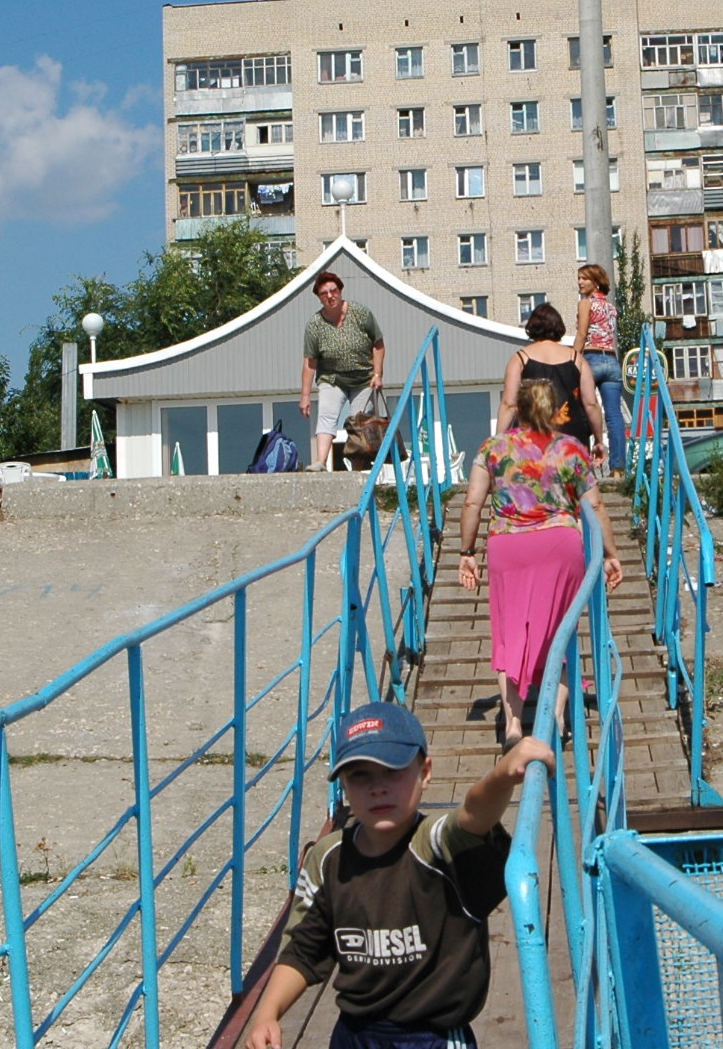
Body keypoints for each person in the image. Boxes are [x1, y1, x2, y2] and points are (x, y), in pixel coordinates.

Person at [242, 702, 552, 1049]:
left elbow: (473, 814)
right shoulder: (328, 858)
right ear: (343, 785)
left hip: (432, 1037)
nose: (377, 787)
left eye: (392, 770)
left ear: (425, 772)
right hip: (354, 1035)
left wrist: (503, 774)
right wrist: (267, 1013)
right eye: (360, 775)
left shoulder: (437, 845)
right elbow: (302, 950)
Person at [459, 377, 622, 748]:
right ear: (554, 410)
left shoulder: (493, 448)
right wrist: (611, 554)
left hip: (508, 547)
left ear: (518, 408)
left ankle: (513, 725)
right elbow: (595, 505)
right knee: (559, 633)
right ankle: (556, 719)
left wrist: (466, 553)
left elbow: (472, 502)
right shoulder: (571, 449)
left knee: (510, 635)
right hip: (560, 544)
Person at [496, 303, 606, 459]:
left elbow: (509, 404)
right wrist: (599, 441)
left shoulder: (520, 358)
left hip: (531, 441)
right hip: (572, 439)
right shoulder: (577, 359)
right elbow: (591, 403)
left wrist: (498, 442)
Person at [300, 270, 385, 472]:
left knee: (359, 422)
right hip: (332, 379)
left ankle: (356, 470)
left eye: (333, 291)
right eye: (324, 293)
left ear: (340, 290)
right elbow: (310, 362)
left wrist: (377, 374)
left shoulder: (360, 313)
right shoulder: (315, 325)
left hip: (363, 380)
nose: (330, 296)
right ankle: (321, 461)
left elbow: (378, 344)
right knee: (327, 415)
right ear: (319, 297)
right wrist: (305, 396)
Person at [576, 264, 627, 472]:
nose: (580, 282)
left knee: (583, 411)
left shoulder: (585, 303)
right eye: (579, 278)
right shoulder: (611, 307)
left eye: (584, 278)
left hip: (591, 358)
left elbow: (582, 334)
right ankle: (618, 467)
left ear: (596, 282)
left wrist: (573, 359)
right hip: (612, 361)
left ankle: (582, 466)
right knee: (614, 415)